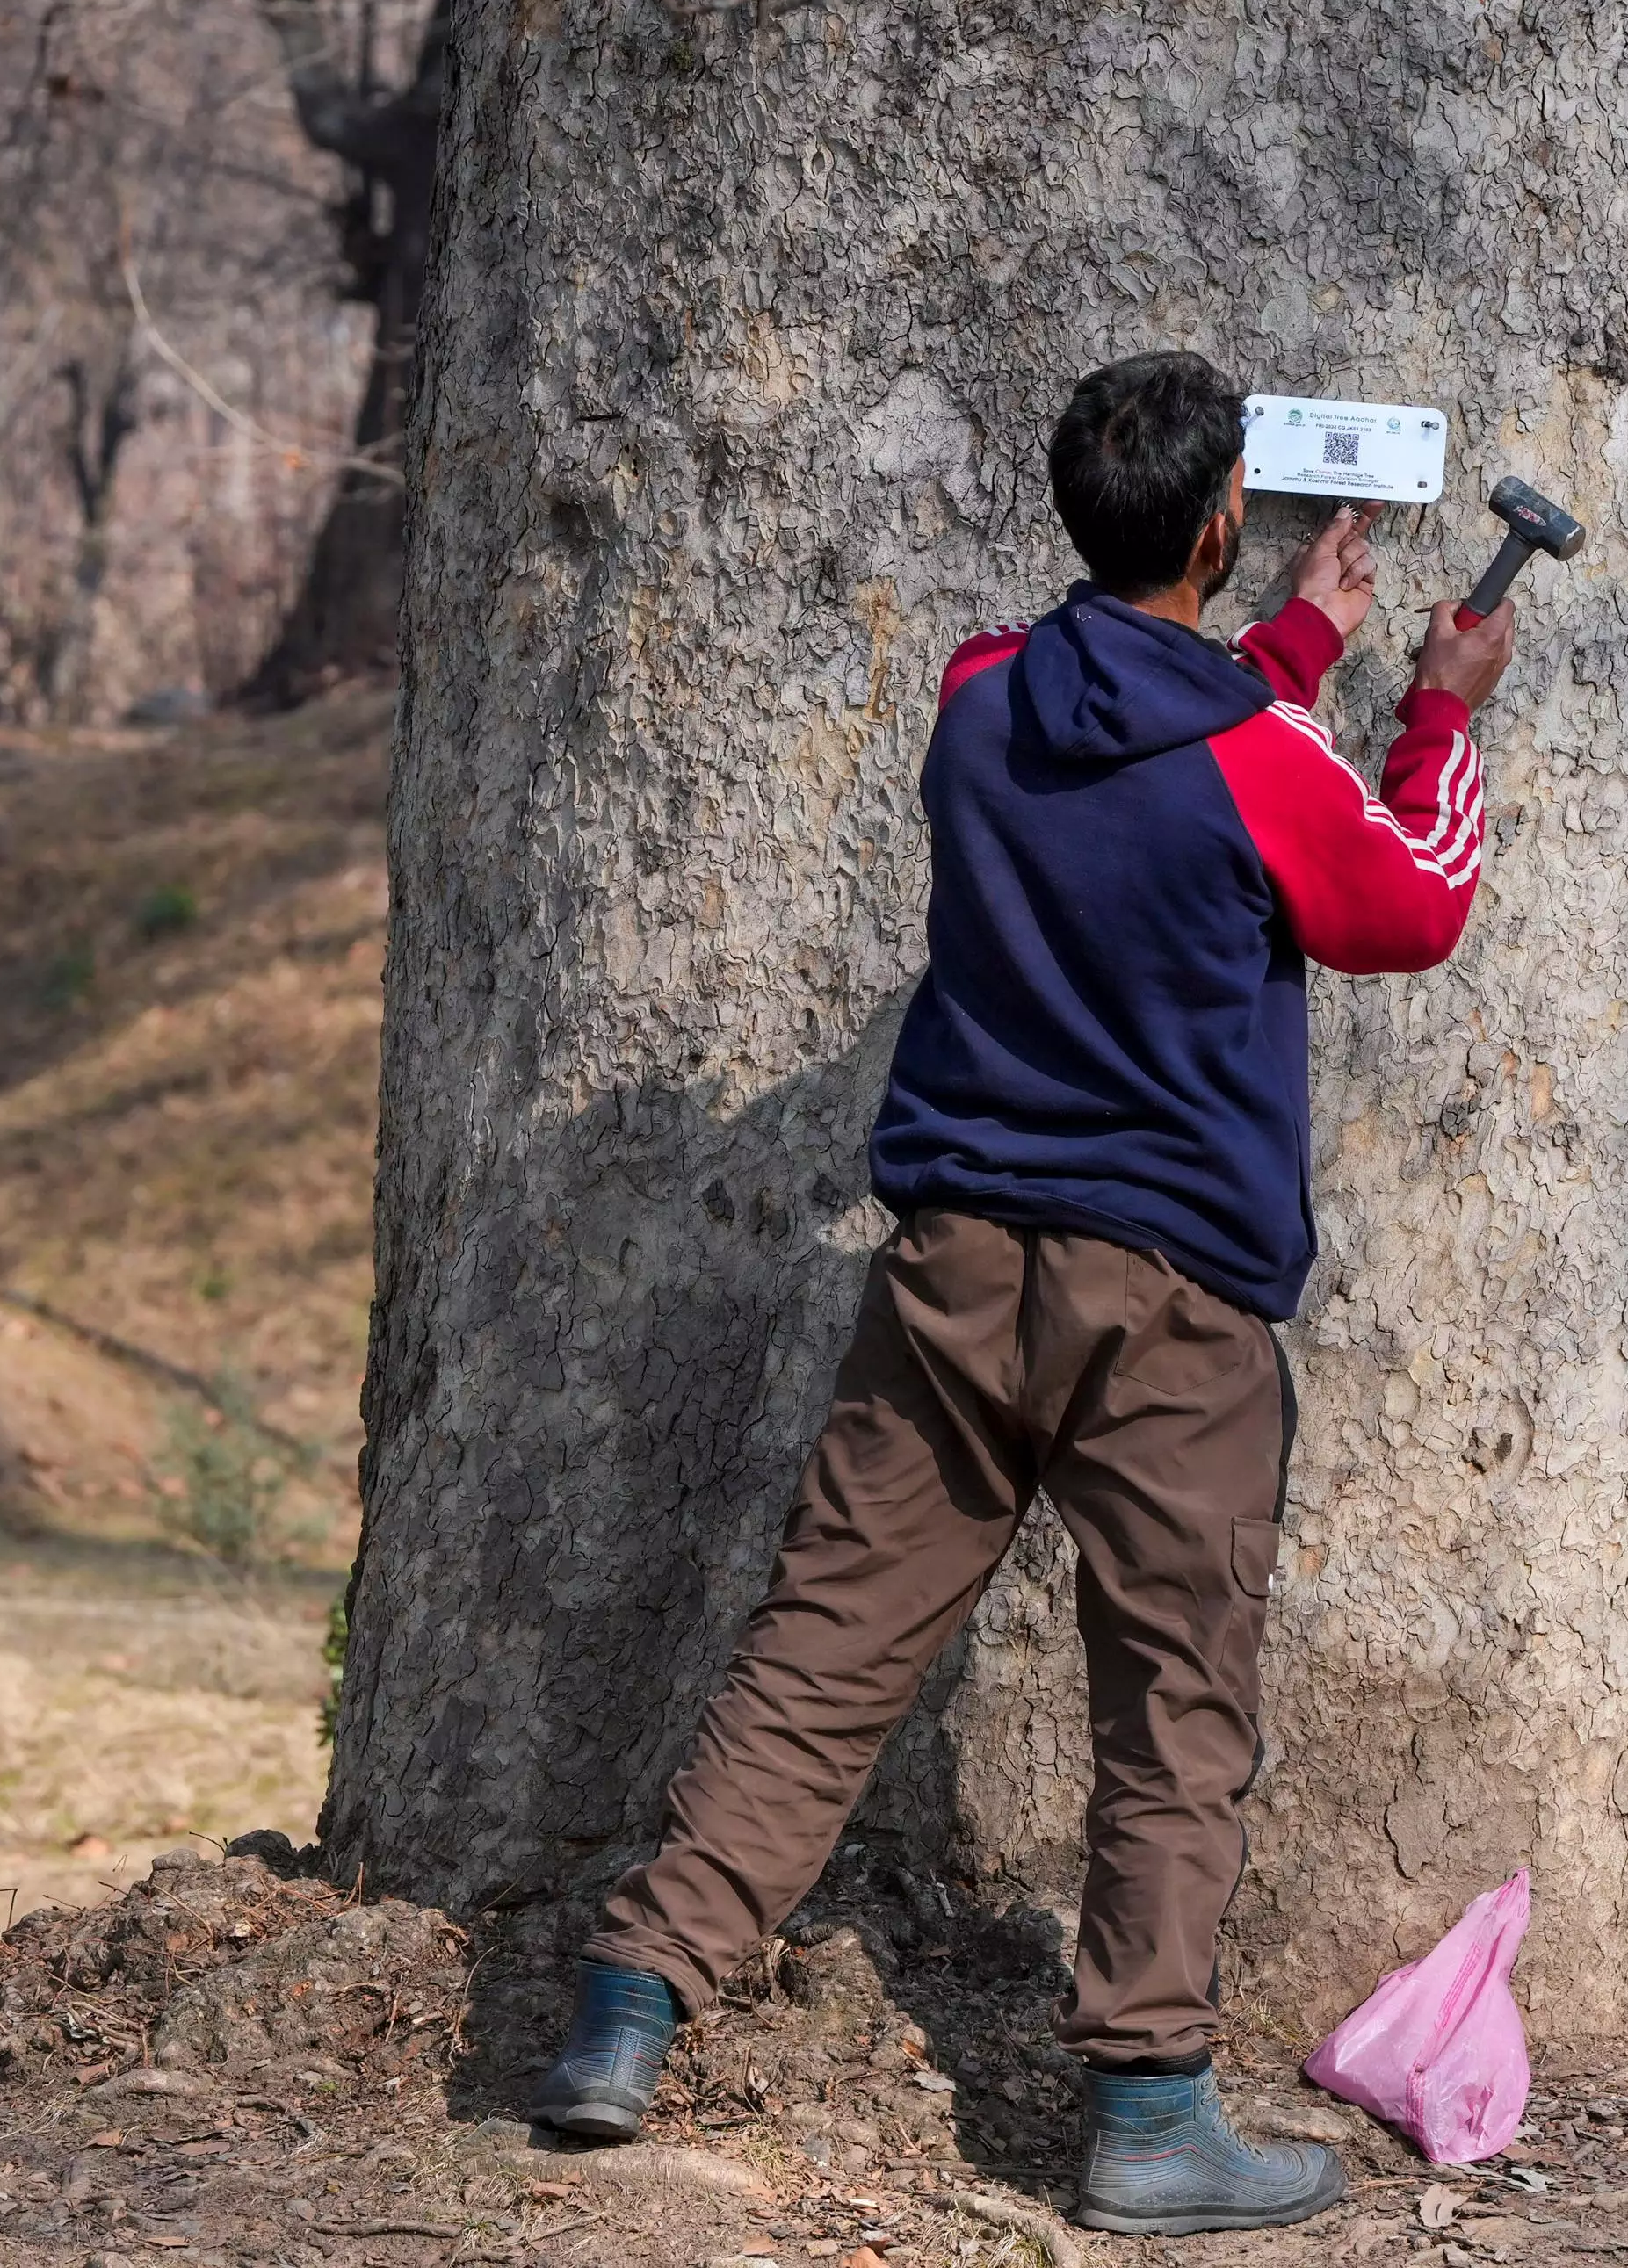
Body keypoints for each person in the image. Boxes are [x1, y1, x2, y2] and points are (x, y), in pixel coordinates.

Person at [526, 350, 1515, 2236]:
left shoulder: (981, 701)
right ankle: (1148, 2112)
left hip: (955, 1268)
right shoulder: (1261, 757)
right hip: (1171, 1305)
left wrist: (1293, 644)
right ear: (1226, 520)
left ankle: (625, 2009)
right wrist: (1436, 719)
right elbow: (1404, 900)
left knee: (826, 1648)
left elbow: (1144, 758)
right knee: (1173, 1704)